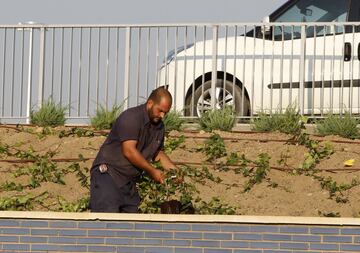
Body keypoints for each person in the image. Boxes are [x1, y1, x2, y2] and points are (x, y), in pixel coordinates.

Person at [90, 86, 177, 213]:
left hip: (128, 182)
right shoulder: (131, 118)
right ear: (150, 103)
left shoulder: (159, 127)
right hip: (109, 175)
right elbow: (129, 151)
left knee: (132, 223)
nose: (162, 115)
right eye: (160, 111)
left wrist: (175, 171)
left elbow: (158, 153)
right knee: (106, 222)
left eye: (166, 112)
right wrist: (153, 171)